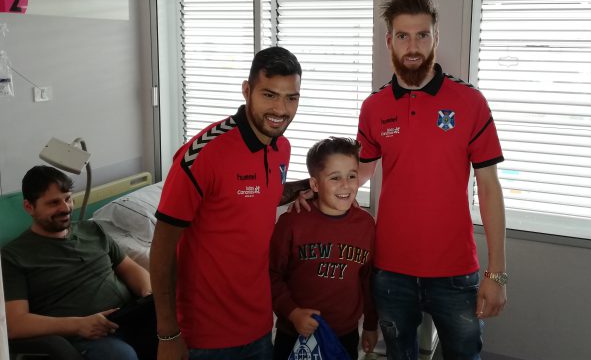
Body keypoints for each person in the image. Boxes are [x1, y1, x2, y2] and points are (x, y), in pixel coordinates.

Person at [356, 0, 507, 360]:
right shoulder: (374, 107)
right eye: (403, 36)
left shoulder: (470, 102)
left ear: (436, 38)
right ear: (389, 40)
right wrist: (313, 192)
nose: (413, 46)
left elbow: (488, 187)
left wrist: (497, 274)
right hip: (391, 272)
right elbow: (357, 173)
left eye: (422, 35)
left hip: (455, 272)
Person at [150, 46, 302, 360]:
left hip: (259, 326)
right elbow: (162, 249)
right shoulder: (202, 155)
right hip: (205, 336)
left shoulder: (281, 148)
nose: (281, 109)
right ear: (247, 90)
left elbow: (264, 194)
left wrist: (310, 187)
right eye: (269, 95)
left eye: (291, 98)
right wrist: (167, 333)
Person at [1, 165, 156, 360]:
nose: (65, 208)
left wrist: (148, 295)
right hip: (85, 336)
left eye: (67, 198)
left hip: (128, 318)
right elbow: (16, 324)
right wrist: (79, 325)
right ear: (29, 207)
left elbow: (129, 268)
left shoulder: (92, 229)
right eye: (53, 203)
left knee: (183, 332)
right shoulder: (14, 256)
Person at [270, 137, 378, 360]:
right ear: (315, 185)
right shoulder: (292, 222)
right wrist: (292, 313)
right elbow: (271, 275)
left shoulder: (366, 225)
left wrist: (370, 324)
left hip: (344, 335)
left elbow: (368, 279)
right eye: (335, 178)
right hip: (294, 333)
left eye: (352, 176)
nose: (346, 185)